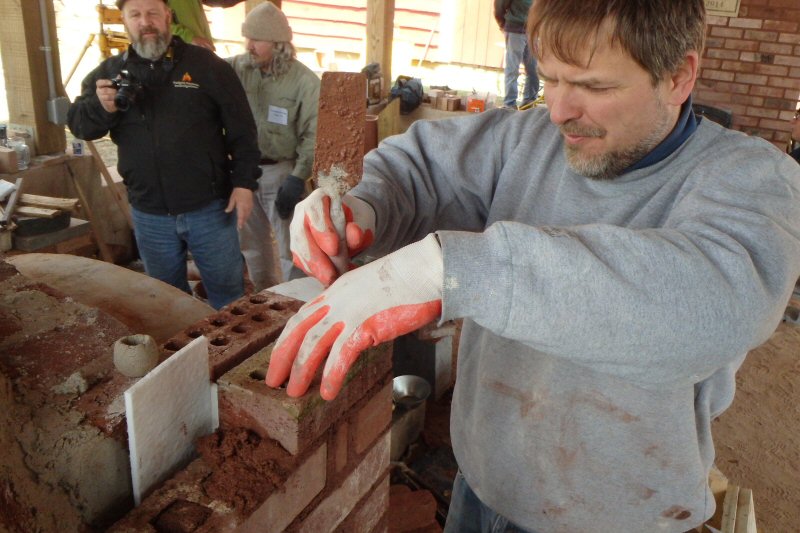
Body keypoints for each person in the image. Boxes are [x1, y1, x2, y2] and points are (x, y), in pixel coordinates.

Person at [264, 0, 800, 531]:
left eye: (593, 87)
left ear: (679, 76)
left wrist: (460, 269)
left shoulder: (750, 179)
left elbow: (708, 307)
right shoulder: (525, 138)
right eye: (551, 79)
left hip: (618, 516)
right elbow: (420, 168)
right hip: (482, 485)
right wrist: (362, 205)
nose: (561, 110)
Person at [68, 0, 261, 310]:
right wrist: (102, 108)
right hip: (149, 214)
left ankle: (230, 357)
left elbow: (243, 132)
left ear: (168, 16)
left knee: (228, 297)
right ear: (125, 20)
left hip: (209, 208)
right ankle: (187, 356)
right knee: (165, 301)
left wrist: (244, 184)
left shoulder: (208, 67)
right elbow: (79, 125)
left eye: (153, 13)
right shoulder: (109, 74)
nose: (146, 22)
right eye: (136, 14)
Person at [226, 2, 320, 291]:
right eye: (247, 38)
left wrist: (297, 177)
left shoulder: (305, 82)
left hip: (280, 171)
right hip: (243, 172)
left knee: (292, 246)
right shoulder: (237, 69)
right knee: (252, 245)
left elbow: (313, 134)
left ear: (278, 43)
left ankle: (296, 302)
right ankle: (265, 297)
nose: (249, 45)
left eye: (256, 39)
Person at [494, 0, 538, 109]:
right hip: (515, 29)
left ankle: (529, 102)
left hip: (534, 32)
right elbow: (500, 5)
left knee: (534, 69)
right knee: (512, 68)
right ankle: (510, 103)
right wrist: (502, 23)